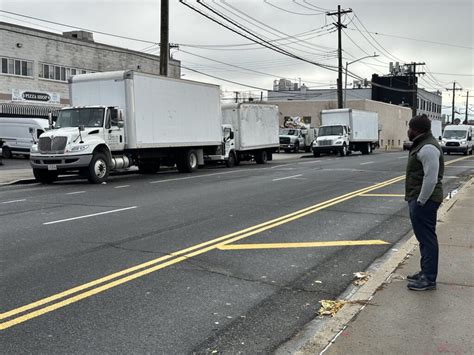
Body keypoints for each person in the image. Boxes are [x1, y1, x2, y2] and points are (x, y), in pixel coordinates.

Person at [405, 114, 444, 291]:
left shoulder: (428, 148)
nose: (408, 131)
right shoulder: (423, 144)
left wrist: (420, 201)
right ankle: (425, 272)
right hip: (421, 199)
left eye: (410, 128)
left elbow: (431, 178)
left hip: (425, 201)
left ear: (417, 129)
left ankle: (429, 279)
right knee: (423, 238)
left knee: (427, 239)